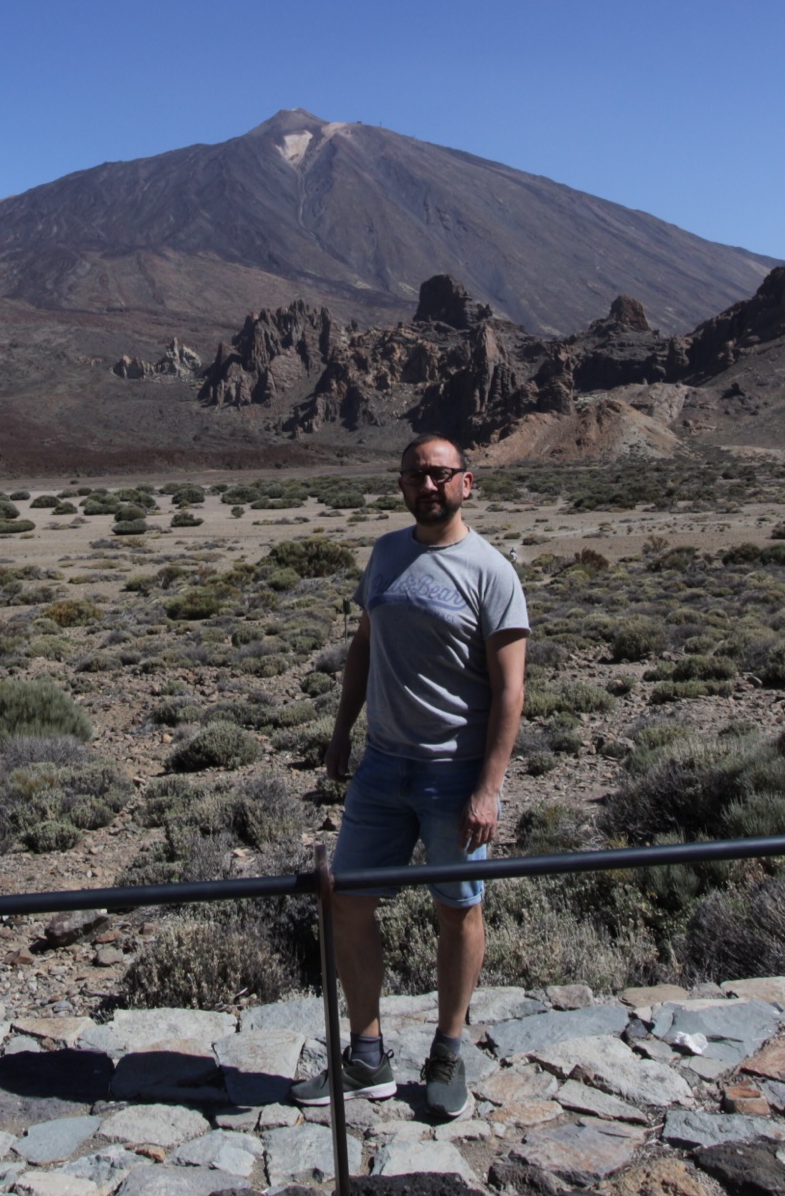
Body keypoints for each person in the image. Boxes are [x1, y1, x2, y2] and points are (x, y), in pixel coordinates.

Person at [291, 434, 529, 1122]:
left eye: (439, 474)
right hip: (383, 767)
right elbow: (365, 645)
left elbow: (510, 691)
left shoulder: (491, 572)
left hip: (455, 774)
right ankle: (367, 1057)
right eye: (414, 475)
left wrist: (488, 786)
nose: (426, 485)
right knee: (348, 901)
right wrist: (342, 733)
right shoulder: (388, 554)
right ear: (400, 484)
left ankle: (447, 1052)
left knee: (457, 909)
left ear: (467, 483)